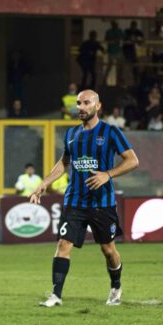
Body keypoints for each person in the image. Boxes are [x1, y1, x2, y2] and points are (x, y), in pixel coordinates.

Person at [30, 90, 140, 307]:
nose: (81, 107)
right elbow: (64, 162)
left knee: (108, 250)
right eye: (79, 103)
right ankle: (56, 295)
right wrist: (44, 183)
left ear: (98, 106)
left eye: (86, 103)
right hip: (75, 201)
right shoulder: (72, 134)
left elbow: (132, 160)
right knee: (63, 244)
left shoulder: (110, 132)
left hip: (102, 203)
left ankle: (116, 287)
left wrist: (107, 174)